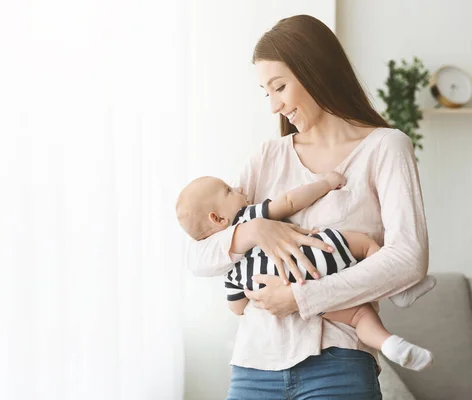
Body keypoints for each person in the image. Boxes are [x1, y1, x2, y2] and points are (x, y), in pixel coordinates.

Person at [185, 14, 435, 399]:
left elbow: (408, 257)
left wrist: (301, 298)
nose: (273, 106)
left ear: (315, 71)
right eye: (266, 92)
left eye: (279, 87)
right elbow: (198, 255)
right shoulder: (269, 156)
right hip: (254, 366)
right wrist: (252, 230)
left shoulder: (386, 148)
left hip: (338, 364)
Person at [176, 173, 434, 371]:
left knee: (358, 317)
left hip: (298, 294)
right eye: (229, 191)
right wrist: (326, 183)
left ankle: (389, 344)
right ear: (218, 219)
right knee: (365, 244)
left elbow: (238, 308)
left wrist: (256, 294)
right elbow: (289, 201)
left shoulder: (232, 274)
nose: (240, 188)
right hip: (316, 255)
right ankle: (402, 291)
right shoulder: (249, 215)